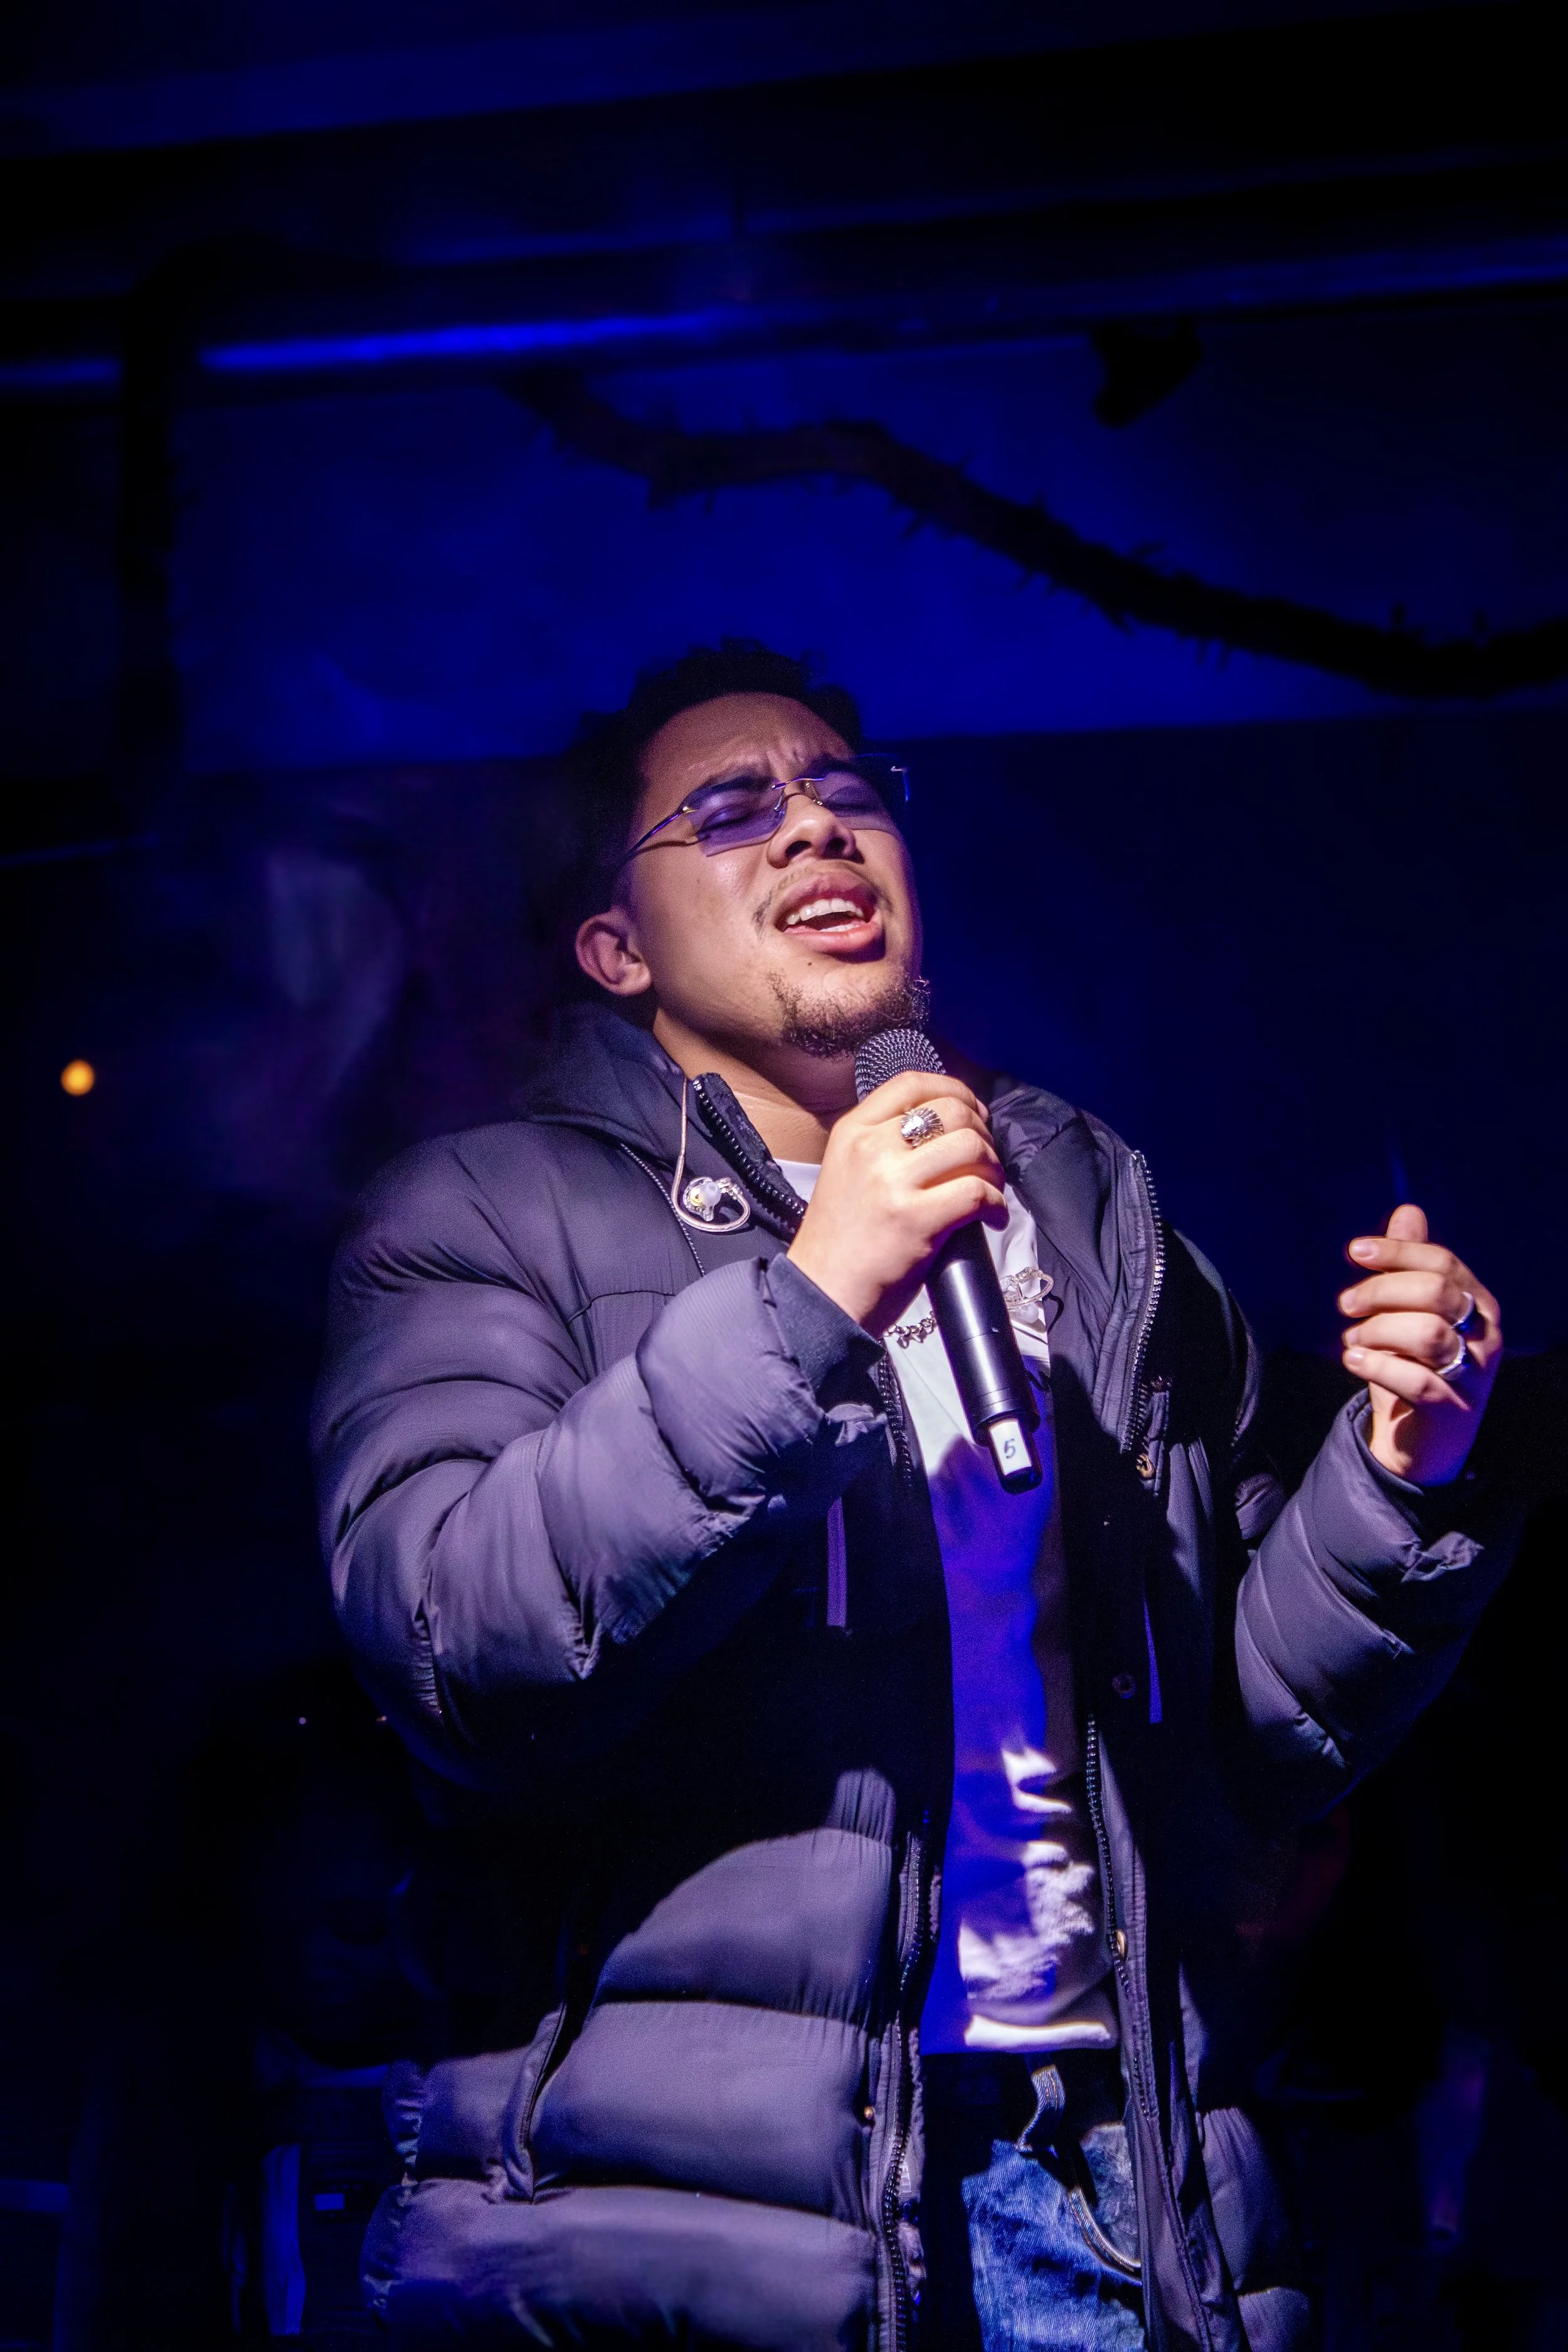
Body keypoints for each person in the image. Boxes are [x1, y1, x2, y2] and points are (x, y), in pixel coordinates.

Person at [312, 642, 1513, 2351]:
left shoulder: (1091, 1218)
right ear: (616, 945)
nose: (816, 829)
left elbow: (1252, 1738)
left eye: (845, 795)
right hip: (691, 2204)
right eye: (733, 812)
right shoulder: (487, 1215)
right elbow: (450, 1641)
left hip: (1100, 2171)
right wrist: (809, 1301)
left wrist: (1400, 1479)